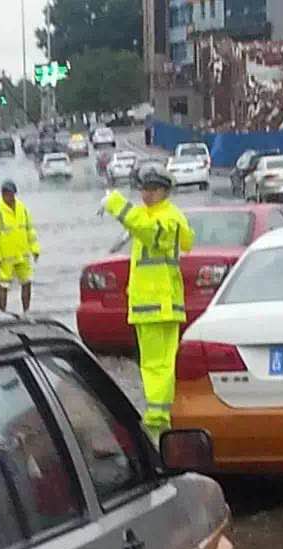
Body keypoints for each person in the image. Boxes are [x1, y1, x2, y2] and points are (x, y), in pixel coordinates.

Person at [101, 165, 195, 444]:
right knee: (162, 364)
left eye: (152, 189)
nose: (147, 194)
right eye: (143, 188)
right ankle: (163, 417)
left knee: (155, 365)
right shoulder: (159, 214)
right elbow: (139, 223)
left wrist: (116, 204)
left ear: (165, 191)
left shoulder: (167, 218)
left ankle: (156, 421)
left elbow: (148, 231)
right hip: (157, 304)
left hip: (156, 304)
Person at [0, 180, 41, 313]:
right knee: (3, 285)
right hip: (5, 257)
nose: (9, 196)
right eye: (6, 193)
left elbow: (29, 231)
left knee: (27, 282)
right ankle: (2, 312)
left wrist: (35, 249)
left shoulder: (22, 209)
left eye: (11, 193)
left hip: (22, 254)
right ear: (2, 194)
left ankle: (26, 311)